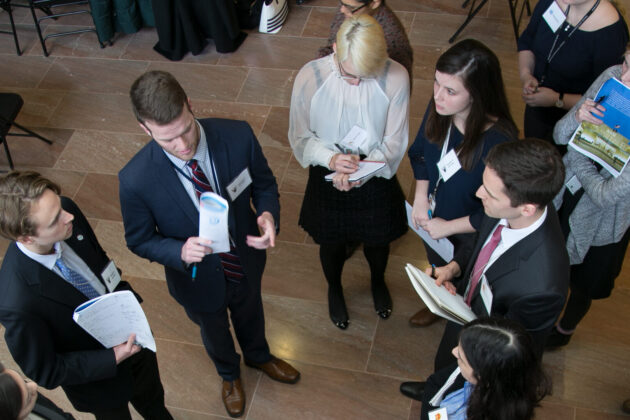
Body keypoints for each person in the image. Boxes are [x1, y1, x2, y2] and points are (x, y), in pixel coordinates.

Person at [119, 70, 299, 418]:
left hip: (245, 258)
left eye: (186, 128)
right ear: (145, 129)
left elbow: (263, 184)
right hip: (196, 278)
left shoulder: (237, 135)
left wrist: (267, 214)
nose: (184, 145)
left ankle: (259, 356)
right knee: (213, 329)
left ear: (190, 104)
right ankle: (229, 375)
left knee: (251, 311)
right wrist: (178, 252)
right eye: (168, 139)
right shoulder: (135, 180)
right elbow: (138, 239)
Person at [400, 139, 569, 401]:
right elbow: (483, 240)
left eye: (489, 192)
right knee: (445, 365)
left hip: (480, 355)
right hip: (463, 312)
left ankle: (445, 393)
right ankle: (437, 387)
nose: (479, 193)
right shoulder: (515, 203)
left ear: (527, 208)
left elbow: (511, 355)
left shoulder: (542, 288)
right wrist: (455, 267)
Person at [0, 171, 172, 420]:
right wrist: (112, 358)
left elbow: (100, 263)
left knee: (154, 402)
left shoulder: (67, 213)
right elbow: (46, 370)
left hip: (136, 341)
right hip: (99, 383)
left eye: (60, 206)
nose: (68, 216)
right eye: (54, 220)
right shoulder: (16, 302)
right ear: (26, 237)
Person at [288, 15, 409, 330]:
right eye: (349, 74)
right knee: (331, 240)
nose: (356, 83)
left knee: (378, 238)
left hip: (374, 168)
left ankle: (377, 281)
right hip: (327, 170)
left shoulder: (396, 77)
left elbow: (394, 141)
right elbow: (300, 136)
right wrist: (331, 160)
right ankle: (335, 288)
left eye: (365, 75)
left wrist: (360, 172)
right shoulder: (310, 77)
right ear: (333, 50)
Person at [406, 38, 518, 328]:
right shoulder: (440, 110)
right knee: (437, 266)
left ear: (476, 94)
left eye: (451, 91)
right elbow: (420, 153)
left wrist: (448, 226)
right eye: (436, 84)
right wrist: (420, 197)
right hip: (433, 219)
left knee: (463, 278)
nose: (438, 96)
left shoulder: (499, 141)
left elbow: (498, 213)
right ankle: (437, 300)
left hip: (468, 234)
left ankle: (455, 313)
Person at [546, 44, 630, 348]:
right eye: (626, 63)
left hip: (604, 223)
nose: (626, 77)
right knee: (551, 264)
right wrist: (577, 118)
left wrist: (577, 156)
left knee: (584, 285)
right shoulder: (612, 79)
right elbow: (559, 135)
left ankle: (565, 331)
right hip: (565, 195)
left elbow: (606, 196)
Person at [517, 0, 628, 143]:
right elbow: (527, 40)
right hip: (537, 107)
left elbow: (605, 100)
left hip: (573, 123)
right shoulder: (551, 3)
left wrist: (556, 99)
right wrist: (526, 74)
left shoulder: (611, 34)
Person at [419, 318, 551, 420]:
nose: (454, 352)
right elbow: (435, 383)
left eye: (461, 357)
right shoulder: (507, 378)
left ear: (483, 377)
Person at [317, 0, 413, 81]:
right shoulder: (351, 9)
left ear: (375, 2)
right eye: (341, 2)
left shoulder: (394, 40)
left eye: (350, 7)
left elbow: (398, 84)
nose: (342, 10)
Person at [0, 361, 75, 420]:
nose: (34, 385)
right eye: (28, 398)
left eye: (24, 381)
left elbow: (60, 415)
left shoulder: (15, 391)